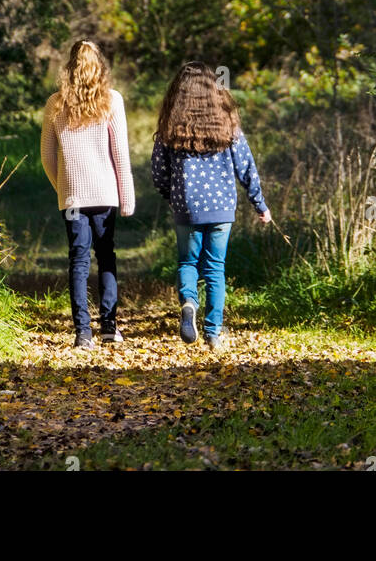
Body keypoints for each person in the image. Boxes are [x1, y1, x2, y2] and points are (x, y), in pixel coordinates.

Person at [151, 61, 270, 349]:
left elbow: (158, 171)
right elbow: (246, 167)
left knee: (188, 262)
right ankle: (213, 333)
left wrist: (172, 196)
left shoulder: (171, 128)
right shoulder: (228, 124)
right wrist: (260, 204)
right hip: (221, 207)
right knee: (216, 268)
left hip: (186, 206)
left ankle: (189, 302)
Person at [41, 40, 134, 347]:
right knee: (106, 256)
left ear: (70, 66)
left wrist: (63, 188)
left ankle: (83, 332)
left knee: (78, 261)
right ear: (100, 66)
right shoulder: (112, 100)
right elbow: (120, 152)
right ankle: (109, 326)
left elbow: (47, 156)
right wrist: (126, 196)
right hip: (106, 194)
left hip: (73, 199)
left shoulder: (55, 103)